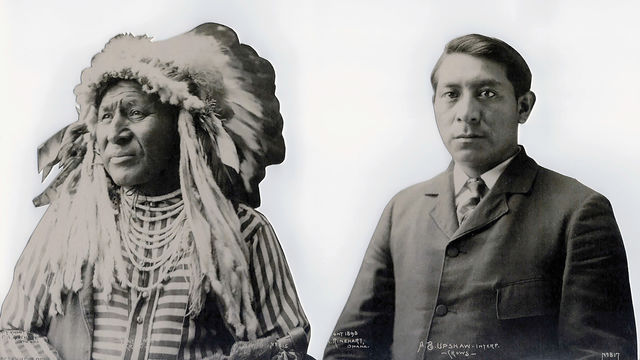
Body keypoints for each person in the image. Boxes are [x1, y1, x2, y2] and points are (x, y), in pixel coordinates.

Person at [0, 23, 311, 360]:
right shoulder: (69, 224)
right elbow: (12, 331)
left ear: (180, 128)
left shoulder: (240, 232)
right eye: (105, 116)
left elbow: (287, 344)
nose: (116, 133)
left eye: (135, 112)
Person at [324, 34, 636, 360]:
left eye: (487, 93)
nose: (467, 113)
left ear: (523, 106)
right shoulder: (403, 210)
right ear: (434, 104)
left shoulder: (576, 212)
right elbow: (350, 347)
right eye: (451, 95)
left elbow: (602, 354)